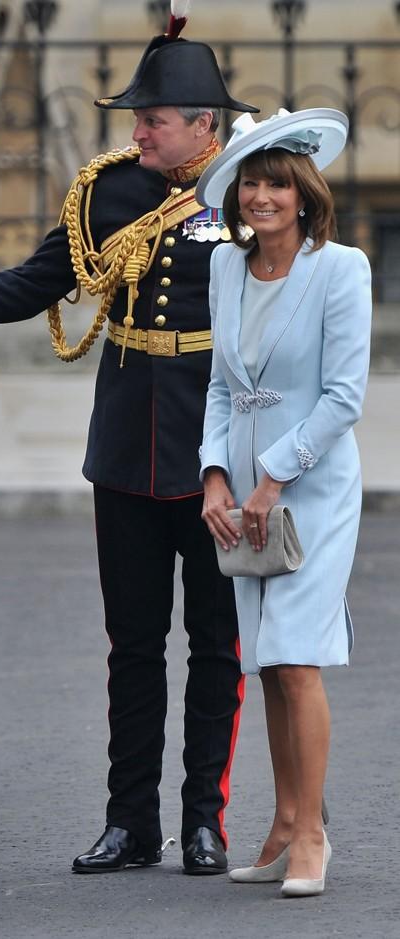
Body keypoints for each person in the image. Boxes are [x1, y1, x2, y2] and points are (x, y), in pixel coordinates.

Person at [0, 7, 260, 876]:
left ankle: (205, 821)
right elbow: (40, 281)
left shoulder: (252, 188)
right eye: (136, 117)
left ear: (205, 126)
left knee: (217, 643)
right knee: (135, 644)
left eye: (155, 118)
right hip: (126, 443)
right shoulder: (107, 189)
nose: (138, 129)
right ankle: (130, 822)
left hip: (222, 444)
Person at [195, 107, 372, 897]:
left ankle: (314, 836)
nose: (259, 198)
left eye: (275, 185)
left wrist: (272, 477)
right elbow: (219, 388)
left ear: (303, 193)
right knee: (264, 663)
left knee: (296, 658)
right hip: (242, 497)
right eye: (249, 185)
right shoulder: (225, 270)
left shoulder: (343, 269)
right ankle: (281, 822)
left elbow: (343, 398)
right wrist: (215, 478)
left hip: (313, 487)